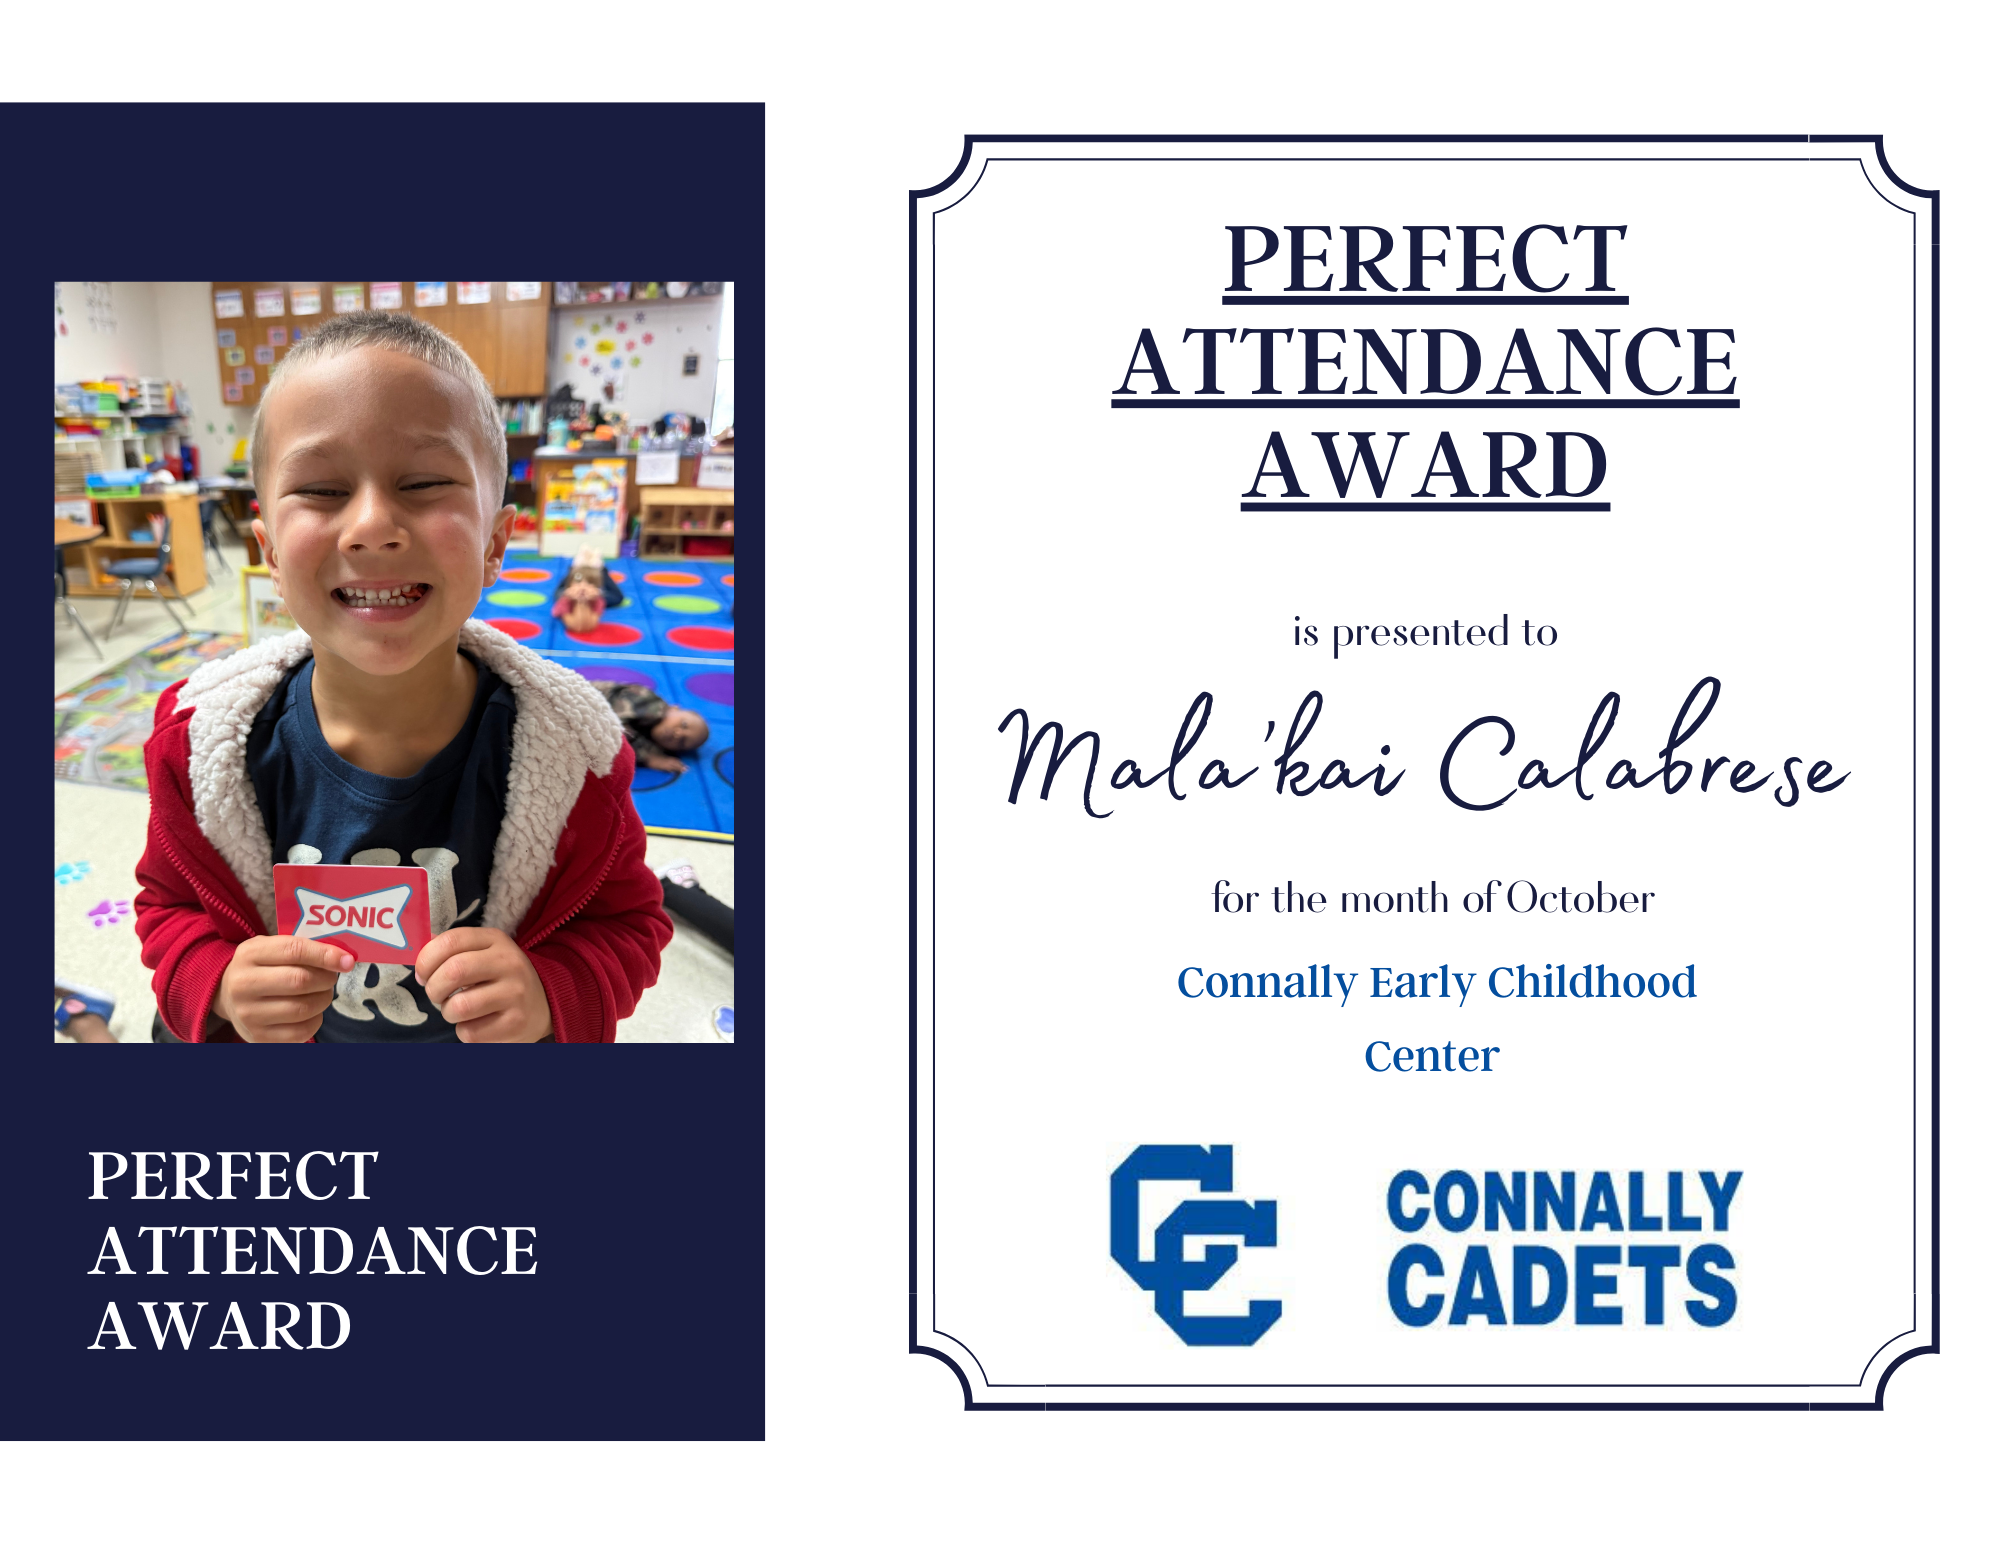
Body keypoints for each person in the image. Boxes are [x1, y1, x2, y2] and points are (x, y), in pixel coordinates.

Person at [133, 311, 673, 1043]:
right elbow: (167, 909)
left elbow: (629, 924)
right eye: (322, 489)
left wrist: (550, 991)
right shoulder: (198, 751)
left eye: (423, 482)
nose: (371, 526)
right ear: (270, 554)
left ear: (495, 543)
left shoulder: (574, 756)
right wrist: (219, 984)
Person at [592, 679, 709, 774]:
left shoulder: (654, 740)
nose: (677, 734)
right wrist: (649, 758)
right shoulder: (649, 703)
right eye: (683, 725)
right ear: (674, 708)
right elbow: (614, 727)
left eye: (682, 742)